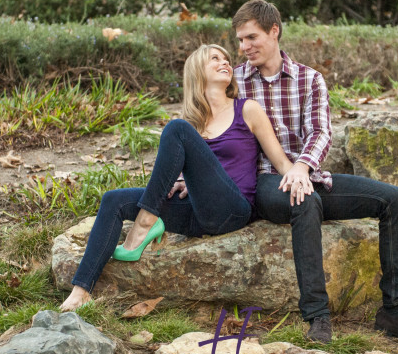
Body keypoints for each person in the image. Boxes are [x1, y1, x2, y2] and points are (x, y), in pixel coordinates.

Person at [231, 0, 398, 349]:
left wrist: (302, 166)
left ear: (274, 31)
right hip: (264, 183)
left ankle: (394, 312)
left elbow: (321, 132)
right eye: (240, 40)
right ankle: (317, 315)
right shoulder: (236, 81)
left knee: (394, 200)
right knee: (305, 201)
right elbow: (207, 126)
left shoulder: (309, 79)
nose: (244, 47)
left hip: (308, 175)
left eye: (251, 37)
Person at [59, 44, 303, 312]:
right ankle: (81, 291)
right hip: (196, 211)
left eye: (226, 59)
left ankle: (145, 223)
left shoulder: (247, 110)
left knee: (176, 128)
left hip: (232, 210)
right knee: (113, 200)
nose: (225, 62)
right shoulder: (192, 122)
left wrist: (301, 173)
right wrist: (187, 180)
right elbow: (190, 168)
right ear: (198, 70)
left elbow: (280, 161)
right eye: (215, 59)